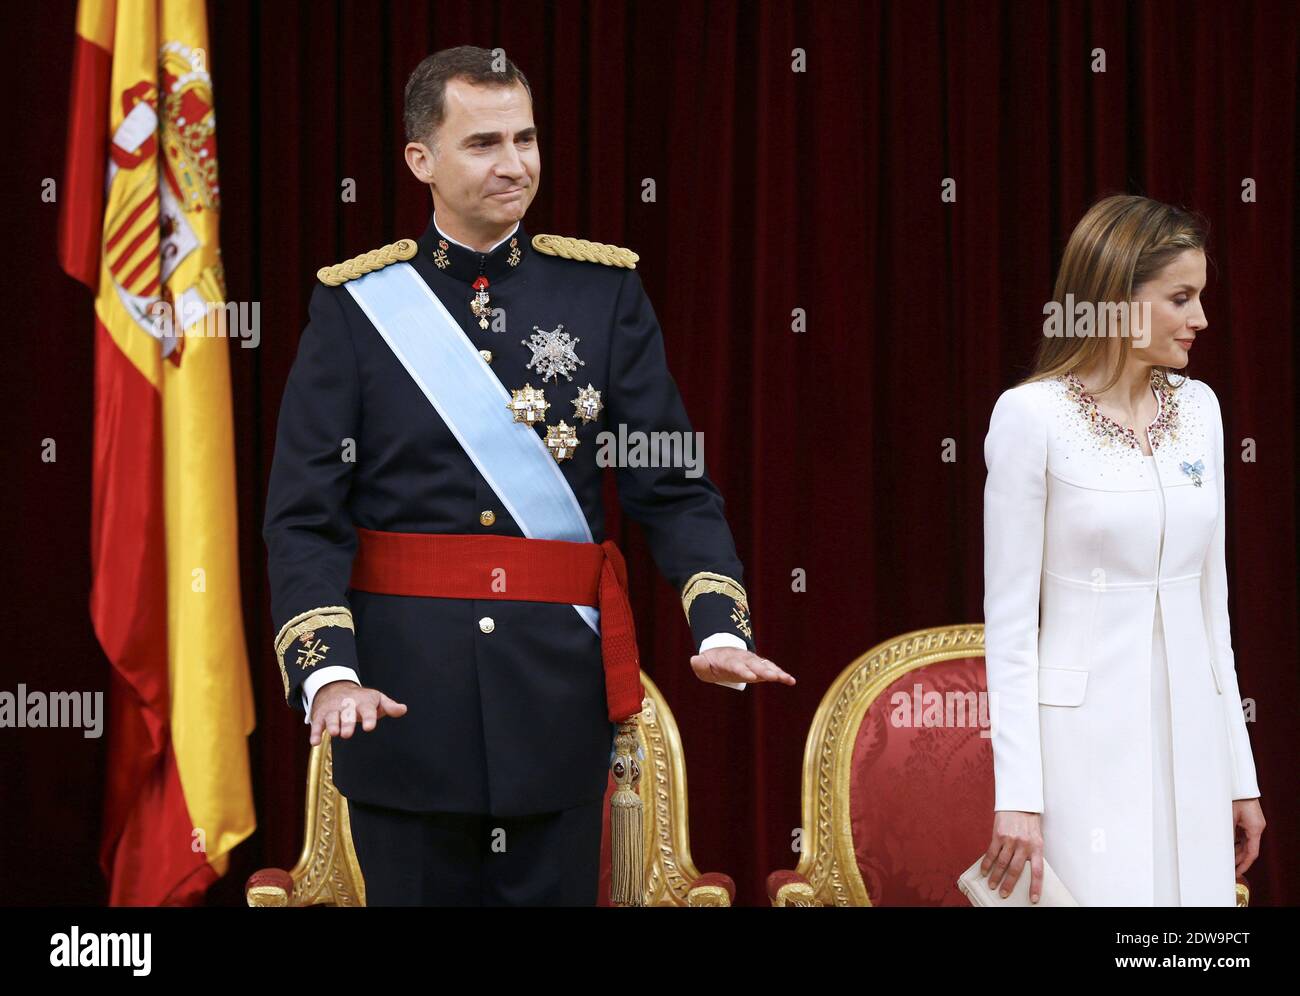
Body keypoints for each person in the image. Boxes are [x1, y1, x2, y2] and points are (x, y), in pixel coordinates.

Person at [262, 45, 794, 906]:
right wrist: (332, 672)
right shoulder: (356, 307)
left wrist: (718, 626)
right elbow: (303, 516)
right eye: (483, 144)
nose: (515, 164)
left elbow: (670, 480)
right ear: (420, 161)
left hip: (553, 705)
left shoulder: (603, 293)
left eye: (527, 138)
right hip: (401, 703)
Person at [978, 194, 1265, 906]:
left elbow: (1213, 610)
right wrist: (1018, 795)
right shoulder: (1030, 417)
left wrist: (1240, 773)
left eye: (1199, 297)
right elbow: (1011, 628)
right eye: (1180, 297)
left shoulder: (1201, 410)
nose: (1200, 319)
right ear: (1116, 300)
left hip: (1194, 744)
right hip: (1081, 755)